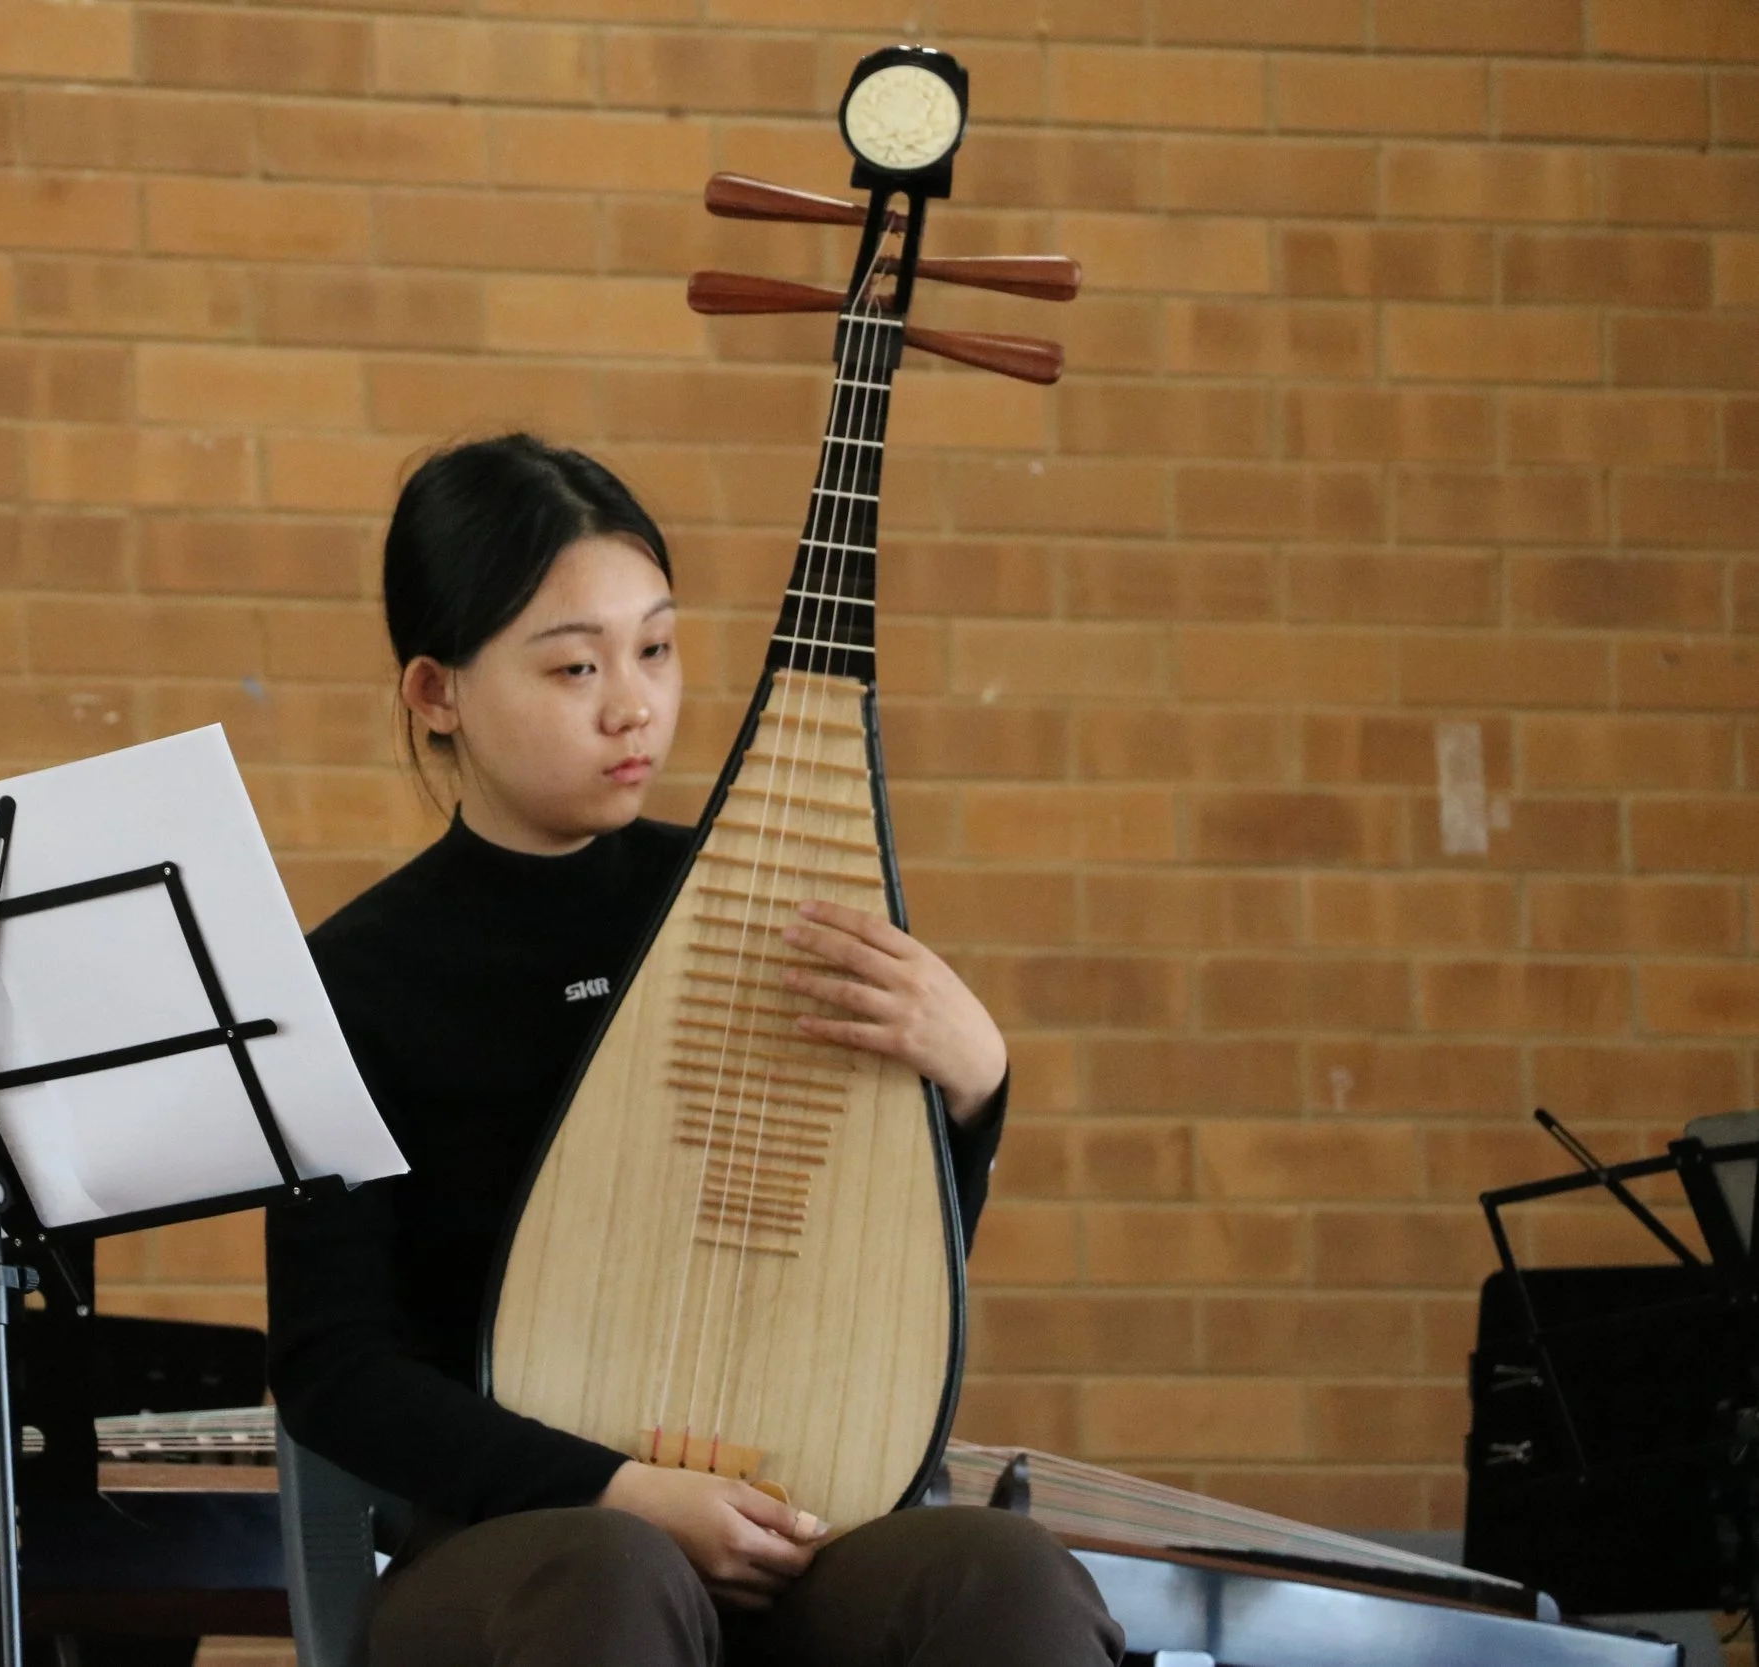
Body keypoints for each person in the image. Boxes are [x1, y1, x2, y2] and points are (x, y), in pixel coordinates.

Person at [267, 434, 1122, 1667]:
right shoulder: (356, 979)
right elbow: (333, 1365)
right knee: (614, 1576)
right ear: (435, 691)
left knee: (1002, 1577)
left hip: (801, 1531)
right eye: (573, 665)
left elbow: (870, 1270)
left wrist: (975, 1087)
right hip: (526, 1550)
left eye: (656, 649)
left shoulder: (756, 903)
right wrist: (618, 1488)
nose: (634, 703)